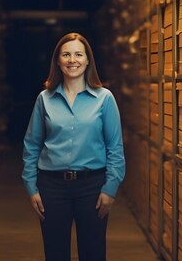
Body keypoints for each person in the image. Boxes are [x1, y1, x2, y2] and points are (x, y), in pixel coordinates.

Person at [22, 32, 126, 261]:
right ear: (57, 61)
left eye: (79, 54)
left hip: (92, 187)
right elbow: (31, 144)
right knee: (55, 253)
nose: (72, 60)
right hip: (52, 187)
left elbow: (115, 147)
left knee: (93, 252)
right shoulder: (45, 98)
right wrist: (31, 186)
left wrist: (110, 188)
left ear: (88, 60)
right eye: (66, 54)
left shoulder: (104, 98)